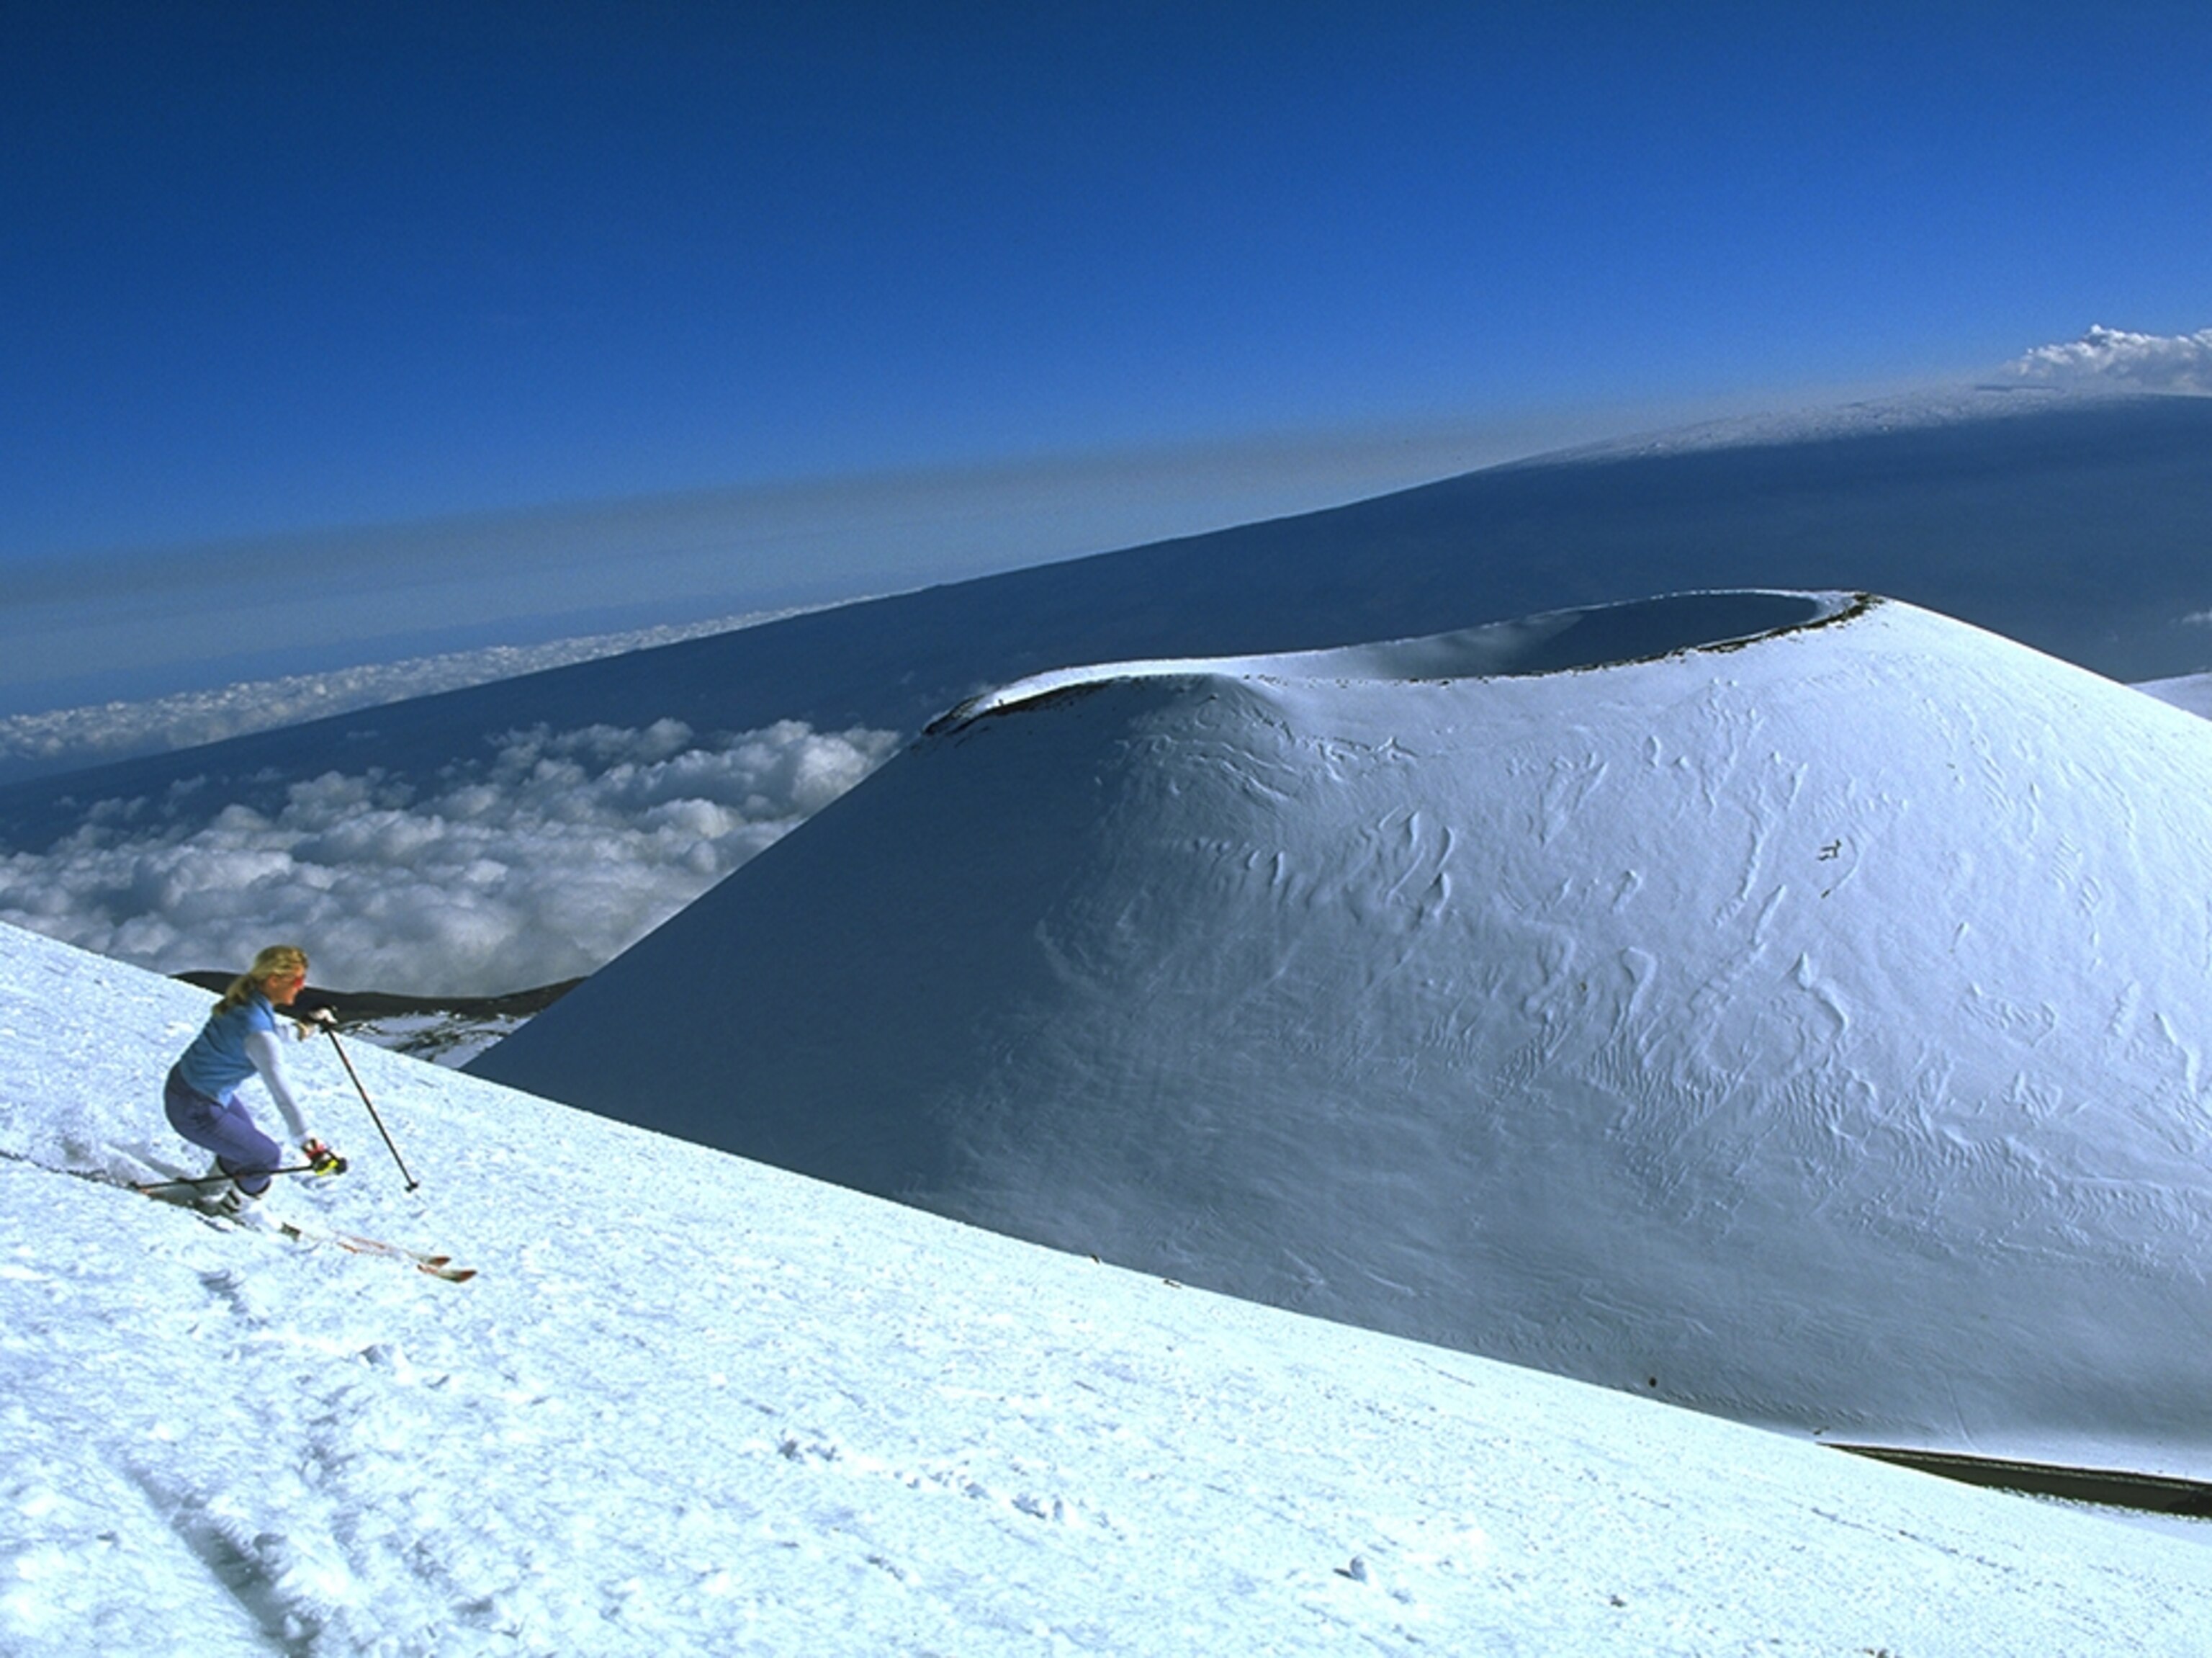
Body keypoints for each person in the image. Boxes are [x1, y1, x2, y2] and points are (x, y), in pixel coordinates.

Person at [166, 944, 342, 1216]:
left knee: (245, 1146)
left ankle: (206, 1191)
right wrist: (312, 1146)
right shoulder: (257, 1030)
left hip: (191, 1090)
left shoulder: (246, 1002)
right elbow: (281, 1092)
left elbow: (263, 1036)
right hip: (195, 1107)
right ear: (274, 980)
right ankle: (235, 1211)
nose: (302, 987)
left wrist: (305, 1027)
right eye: (297, 980)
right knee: (264, 1157)